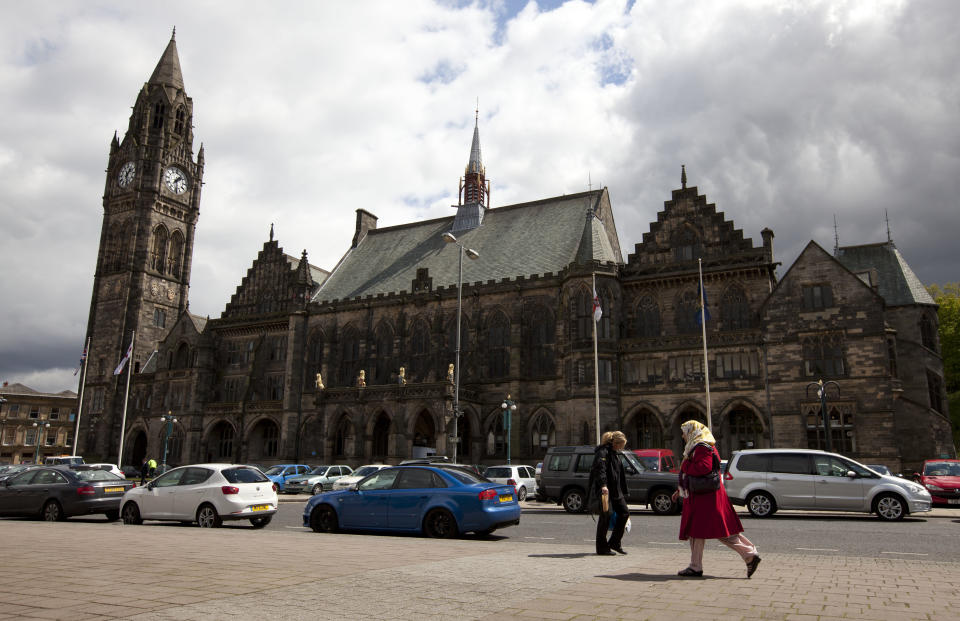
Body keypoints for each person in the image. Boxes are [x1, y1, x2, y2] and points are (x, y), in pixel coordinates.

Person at [673, 420, 761, 578]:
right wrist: (679, 490)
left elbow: (703, 467)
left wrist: (684, 466)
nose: (682, 435)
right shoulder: (699, 446)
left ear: (692, 432)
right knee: (696, 531)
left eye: (684, 432)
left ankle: (750, 554)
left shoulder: (701, 447)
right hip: (701, 495)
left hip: (707, 498)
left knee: (721, 531)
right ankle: (695, 566)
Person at [588, 430, 630, 556]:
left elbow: (618, 473)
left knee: (624, 513)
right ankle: (602, 548)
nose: (622, 447)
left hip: (616, 491)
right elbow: (600, 470)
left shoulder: (615, 453)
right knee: (605, 518)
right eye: (621, 445)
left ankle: (614, 542)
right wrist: (603, 485)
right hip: (606, 491)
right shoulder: (602, 452)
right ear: (615, 443)